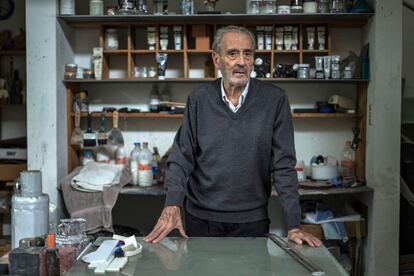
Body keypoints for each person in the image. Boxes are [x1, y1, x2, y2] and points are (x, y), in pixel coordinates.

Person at [144, 25, 321, 247]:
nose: (241, 62)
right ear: (216, 59)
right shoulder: (199, 100)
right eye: (232, 53)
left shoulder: (275, 100)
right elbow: (180, 159)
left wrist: (294, 225)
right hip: (201, 219)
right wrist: (172, 204)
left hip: (252, 220)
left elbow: (283, 166)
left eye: (248, 54)